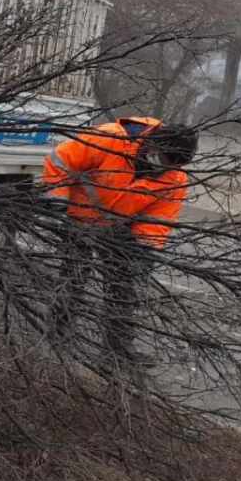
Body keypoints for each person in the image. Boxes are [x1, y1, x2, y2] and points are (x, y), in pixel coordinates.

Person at [42, 117, 198, 364]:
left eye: (171, 164)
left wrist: (144, 250)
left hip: (118, 227)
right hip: (76, 216)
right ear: (152, 144)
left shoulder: (174, 178)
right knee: (74, 275)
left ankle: (118, 350)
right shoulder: (109, 138)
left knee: (124, 285)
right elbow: (60, 160)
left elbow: (157, 219)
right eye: (163, 159)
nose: (163, 167)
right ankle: (57, 333)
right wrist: (57, 199)